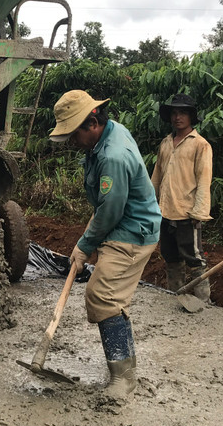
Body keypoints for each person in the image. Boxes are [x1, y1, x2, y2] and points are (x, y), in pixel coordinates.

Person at [49, 90, 162, 400]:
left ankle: (123, 379)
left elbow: (110, 209)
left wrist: (85, 245)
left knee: (102, 295)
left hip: (131, 231)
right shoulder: (107, 136)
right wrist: (86, 244)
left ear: (93, 122)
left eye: (74, 135)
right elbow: (106, 205)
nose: (72, 143)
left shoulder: (113, 155)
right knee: (108, 297)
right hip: (119, 222)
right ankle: (122, 366)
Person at [150, 94, 213, 301]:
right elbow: (157, 176)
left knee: (193, 258)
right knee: (170, 256)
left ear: (191, 117)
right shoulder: (166, 143)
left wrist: (200, 212)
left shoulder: (200, 144)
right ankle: (174, 295)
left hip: (187, 212)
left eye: (183, 113)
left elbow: (204, 179)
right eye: (175, 113)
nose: (178, 117)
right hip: (165, 211)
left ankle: (204, 301)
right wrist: (149, 203)